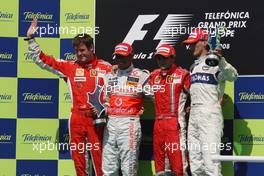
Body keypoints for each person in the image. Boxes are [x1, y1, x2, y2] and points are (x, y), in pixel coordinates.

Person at [26, 19, 112, 176]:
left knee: (101, 161)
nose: (79, 54)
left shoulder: (106, 67)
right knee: (79, 161)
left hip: (97, 120)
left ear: (91, 48)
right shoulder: (70, 67)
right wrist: (31, 40)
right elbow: (44, 61)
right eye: (77, 51)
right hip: (77, 118)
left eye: (82, 50)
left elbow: (115, 92)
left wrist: (105, 108)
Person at [182, 28, 238, 176]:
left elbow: (233, 76)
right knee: (195, 164)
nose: (191, 47)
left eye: (193, 43)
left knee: (211, 163)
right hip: (194, 114)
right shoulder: (193, 66)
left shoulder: (216, 63)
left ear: (204, 42)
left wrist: (221, 60)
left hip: (209, 114)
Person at [102, 42, 150, 176]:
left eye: (123, 56)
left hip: (129, 124)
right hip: (110, 124)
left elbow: (156, 98)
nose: (120, 59)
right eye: (117, 56)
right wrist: (104, 108)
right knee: (108, 167)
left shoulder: (141, 76)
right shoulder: (109, 76)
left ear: (131, 56)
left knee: (129, 168)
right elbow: (105, 100)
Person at [149, 44, 190, 176]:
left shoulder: (183, 74)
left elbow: (198, 93)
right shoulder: (153, 75)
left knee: (179, 164)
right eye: (159, 58)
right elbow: (135, 86)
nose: (161, 61)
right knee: (161, 164)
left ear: (173, 58)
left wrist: (217, 98)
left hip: (175, 123)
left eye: (165, 58)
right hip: (158, 123)